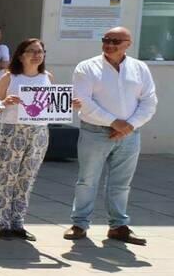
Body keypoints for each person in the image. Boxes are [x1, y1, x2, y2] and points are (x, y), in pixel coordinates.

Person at [66, 27, 158, 245]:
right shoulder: (87, 67)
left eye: (116, 40)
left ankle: (118, 226)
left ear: (128, 43)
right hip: (95, 132)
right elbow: (84, 101)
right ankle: (79, 223)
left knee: (121, 183)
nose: (110, 44)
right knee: (87, 180)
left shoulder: (140, 68)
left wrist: (129, 126)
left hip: (129, 134)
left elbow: (149, 101)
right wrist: (114, 122)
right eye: (106, 39)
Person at [0, 38, 81, 241]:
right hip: (11, 130)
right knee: (7, 178)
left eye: (40, 51)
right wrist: (4, 102)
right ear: (21, 55)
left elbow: (52, 105)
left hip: (38, 132)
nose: (36, 55)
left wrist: (69, 105)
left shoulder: (47, 76)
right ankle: (2, 222)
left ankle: (18, 222)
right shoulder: (10, 77)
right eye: (31, 51)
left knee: (27, 178)